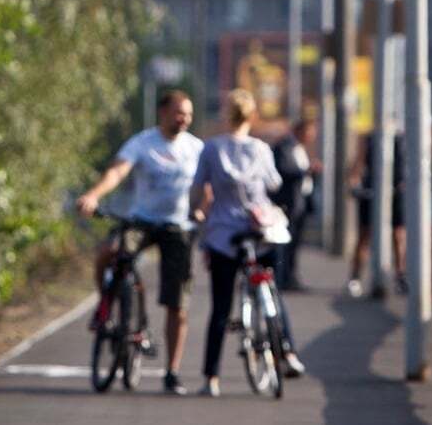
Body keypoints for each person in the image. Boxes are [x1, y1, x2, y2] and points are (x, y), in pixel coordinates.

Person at [76, 90, 202, 396]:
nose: (183, 118)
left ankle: (171, 372)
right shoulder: (143, 142)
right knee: (109, 252)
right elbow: (118, 171)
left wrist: (203, 209)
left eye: (188, 113)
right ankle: (105, 305)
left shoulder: (196, 147)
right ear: (162, 112)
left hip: (177, 226)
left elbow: (207, 185)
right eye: (178, 112)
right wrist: (94, 195)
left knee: (178, 303)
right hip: (141, 221)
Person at [189, 89, 306, 398]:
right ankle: (288, 352)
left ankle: (211, 378)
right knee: (272, 291)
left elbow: (199, 187)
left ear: (226, 115)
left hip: (223, 235)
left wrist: (198, 212)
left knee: (220, 307)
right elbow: (274, 184)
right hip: (258, 233)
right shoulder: (261, 149)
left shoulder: (212, 149)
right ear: (252, 116)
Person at [347, 132, 407, 297]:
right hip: (371, 192)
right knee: (365, 235)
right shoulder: (371, 139)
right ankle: (356, 276)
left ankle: (400, 276)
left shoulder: (402, 140)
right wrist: (354, 183)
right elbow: (357, 165)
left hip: (395, 193)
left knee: (398, 234)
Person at [271, 118, 321, 291]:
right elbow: (283, 169)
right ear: (300, 131)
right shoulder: (285, 145)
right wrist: (306, 170)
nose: (312, 137)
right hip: (288, 202)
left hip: (300, 202)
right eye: (310, 133)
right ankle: (283, 278)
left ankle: (291, 277)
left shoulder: (299, 147)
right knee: (286, 243)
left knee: (295, 243)